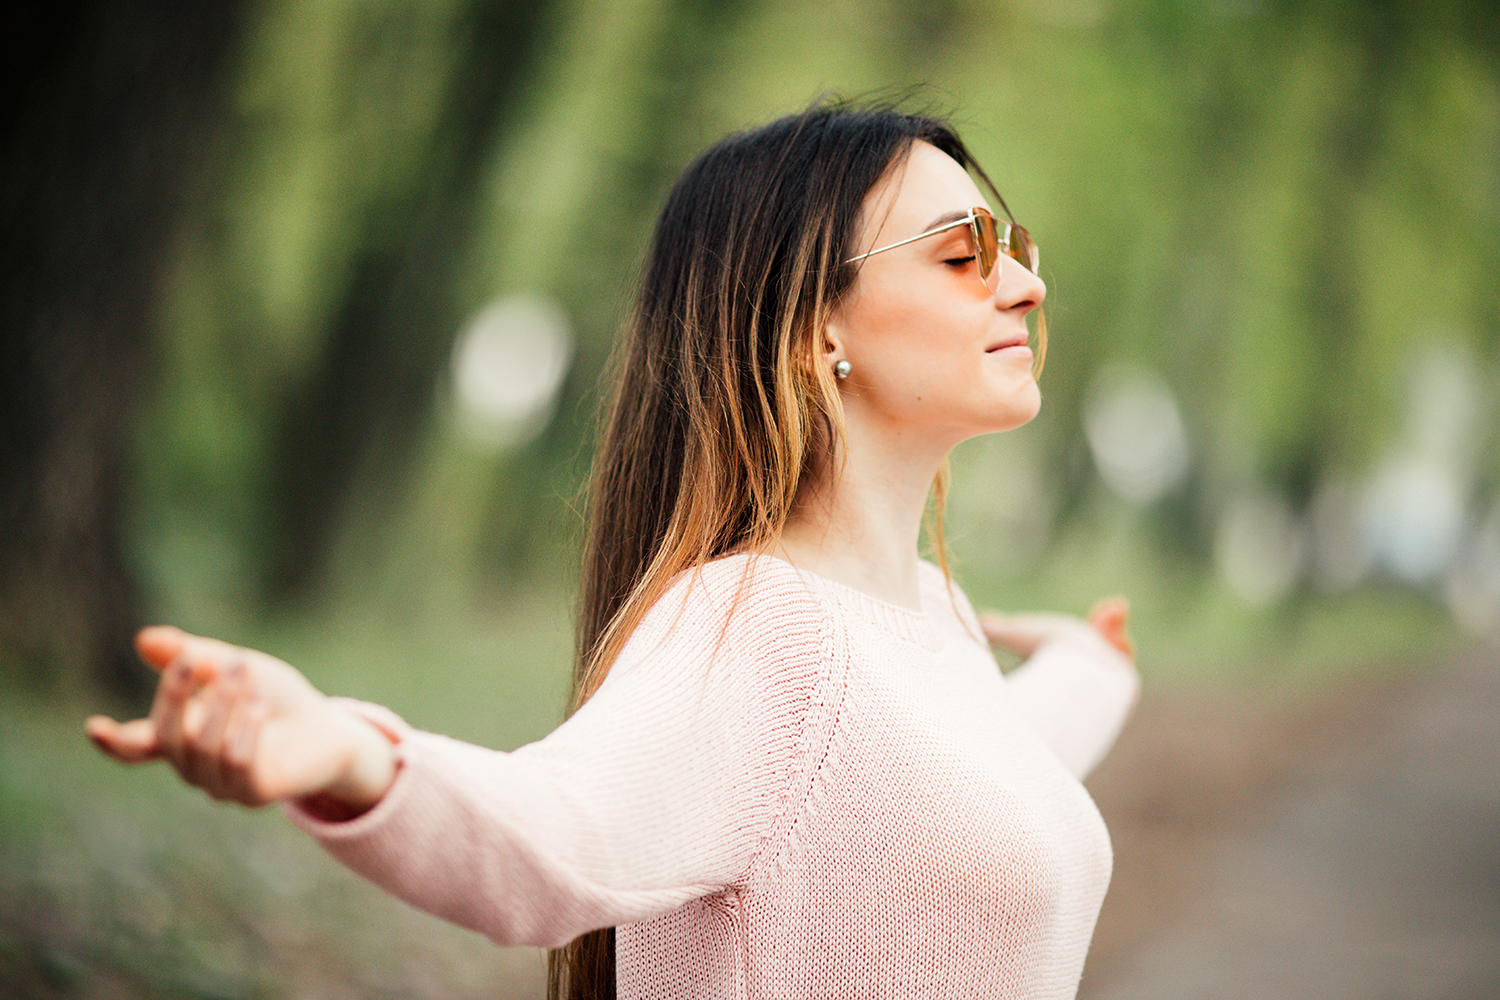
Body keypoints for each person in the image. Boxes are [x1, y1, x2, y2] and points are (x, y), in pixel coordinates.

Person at [88, 103, 1139, 1000]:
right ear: (816, 329)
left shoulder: (930, 615)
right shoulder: (762, 633)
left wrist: (1092, 667)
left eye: (1015, 249)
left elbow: (969, 777)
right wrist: (348, 754)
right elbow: (556, 832)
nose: (1023, 287)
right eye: (963, 254)